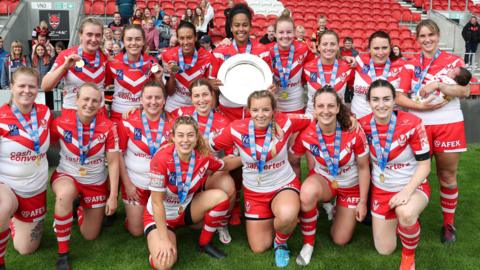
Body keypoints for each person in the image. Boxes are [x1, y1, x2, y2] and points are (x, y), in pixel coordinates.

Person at [210, 90, 312, 268]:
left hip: (283, 185)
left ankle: (281, 241)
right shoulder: (236, 128)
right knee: (259, 247)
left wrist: (350, 120)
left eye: (266, 109)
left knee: (287, 215)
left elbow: (316, 118)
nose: (260, 115)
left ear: (274, 110)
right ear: (248, 110)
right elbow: (211, 145)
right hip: (254, 193)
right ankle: (279, 219)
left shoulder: (285, 121)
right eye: (255, 110)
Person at [397, 20, 470, 244]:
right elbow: (400, 96)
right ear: (417, 39)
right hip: (418, 124)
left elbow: (465, 90)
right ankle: (407, 217)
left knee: (447, 176)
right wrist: (421, 107)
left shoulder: (453, 61)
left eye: (431, 35)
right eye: (422, 36)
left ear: (438, 36)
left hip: (448, 123)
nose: (427, 39)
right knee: (414, 175)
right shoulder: (410, 64)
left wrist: (439, 86)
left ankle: (448, 223)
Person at [144, 116, 242, 269]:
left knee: (221, 197)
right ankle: (158, 243)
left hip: (186, 209)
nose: (185, 140)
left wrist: (248, 157)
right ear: (173, 137)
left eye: (190, 135)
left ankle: (204, 243)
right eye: (181, 135)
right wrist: (163, 240)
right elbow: (157, 203)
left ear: (196, 138)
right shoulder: (161, 159)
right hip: (161, 216)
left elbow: (225, 164)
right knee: (164, 264)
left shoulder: (203, 157)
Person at [291, 86, 370, 266]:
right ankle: (308, 244)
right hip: (325, 181)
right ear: (314, 108)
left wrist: (362, 202)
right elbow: (292, 159)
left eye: (330, 106)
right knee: (307, 192)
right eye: (320, 106)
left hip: (350, 187)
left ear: (337, 108)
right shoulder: (307, 133)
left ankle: (337, 210)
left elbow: (364, 167)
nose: (325, 111)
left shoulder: (353, 130)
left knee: (340, 239)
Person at [359, 79, 431, 270]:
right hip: (382, 190)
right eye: (375, 99)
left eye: (386, 99)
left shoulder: (412, 122)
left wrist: (406, 192)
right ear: (369, 102)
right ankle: (407, 224)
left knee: (405, 213)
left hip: (412, 186)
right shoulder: (362, 125)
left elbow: (425, 165)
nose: (381, 105)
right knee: (385, 249)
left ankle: (408, 257)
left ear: (394, 101)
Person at [50, 83, 120, 270]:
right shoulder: (61, 122)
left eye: (94, 101)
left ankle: (79, 207)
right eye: (85, 99)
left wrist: (113, 197)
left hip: (95, 183)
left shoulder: (108, 126)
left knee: (90, 235)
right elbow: (47, 143)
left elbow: (113, 162)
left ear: (100, 104)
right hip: (68, 176)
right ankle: (63, 254)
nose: (89, 104)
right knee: (64, 194)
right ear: (76, 100)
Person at [171, 78, 236, 244]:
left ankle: (221, 222)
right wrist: (138, 108)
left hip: (210, 173)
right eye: (196, 96)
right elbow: (154, 115)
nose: (201, 100)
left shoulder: (224, 120)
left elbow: (231, 155)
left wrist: (217, 168)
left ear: (212, 95)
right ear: (191, 98)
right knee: (196, 225)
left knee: (227, 184)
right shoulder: (180, 114)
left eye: (205, 94)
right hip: (184, 174)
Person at [0, 67, 52, 270]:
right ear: (12, 87)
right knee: (2, 208)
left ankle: (13, 221)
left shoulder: (45, 113)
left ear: (38, 88)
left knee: (26, 248)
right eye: (21, 85)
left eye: (32, 86)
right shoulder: (1, 117)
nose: (26, 90)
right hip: (6, 184)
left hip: (35, 188)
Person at [117, 82, 170, 236]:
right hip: (136, 185)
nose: (153, 102)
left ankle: (150, 213)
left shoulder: (173, 122)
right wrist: (127, 184)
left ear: (164, 101)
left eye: (158, 98)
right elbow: (118, 154)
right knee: (137, 231)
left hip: (162, 187)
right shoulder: (127, 121)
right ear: (141, 100)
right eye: (148, 97)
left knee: (166, 223)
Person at [213, 3, 272, 121]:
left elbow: (268, 82)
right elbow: (212, 83)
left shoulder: (263, 51)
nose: (241, 29)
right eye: (237, 25)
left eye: (245, 25)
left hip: (255, 113)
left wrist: (270, 88)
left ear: (250, 26)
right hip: (227, 112)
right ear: (231, 27)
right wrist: (212, 84)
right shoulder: (220, 52)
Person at [42, 17, 108, 113]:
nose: (94, 39)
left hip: (98, 114)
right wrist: (64, 67)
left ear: (102, 37)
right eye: (89, 34)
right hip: (72, 113)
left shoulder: (106, 57)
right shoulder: (66, 55)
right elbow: (45, 86)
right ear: (80, 35)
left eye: (98, 35)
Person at [105, 24, 163, 121]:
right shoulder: (112, 62)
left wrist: (159, 78)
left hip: (144, 114)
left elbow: (159, 93)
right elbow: (106, 87)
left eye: (138, 39)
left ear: (144, 41)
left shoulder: (152, 62)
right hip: (118, 115)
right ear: (123, 41)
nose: (133, 43)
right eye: (129, 39)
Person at [162, 21, 218, 113]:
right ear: (178, 39)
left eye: (189, 38)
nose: (185, 42)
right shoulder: (168, 56)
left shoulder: (209, 57)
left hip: (199, 104)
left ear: (195, 37)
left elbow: (212, 91)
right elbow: (169, 92)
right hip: (174, 104)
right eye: (182, 38)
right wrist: (172, 77)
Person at [351, 31, 406, 119]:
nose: (380, 52)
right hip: (358, 121)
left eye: (384, 48)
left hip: (391, 124)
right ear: (369, 49)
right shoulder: (358, 61)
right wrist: (344, 57)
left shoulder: (403, 66)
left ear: (390, 48)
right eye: (376, 48)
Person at [303, 30, 353, 115]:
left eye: (332, 44)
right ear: (318, 47)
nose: (329, 48)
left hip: (340, 118)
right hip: (313, 118)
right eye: (325, 44)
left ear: (337, 47)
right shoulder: (307, 67)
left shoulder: (347, 67)